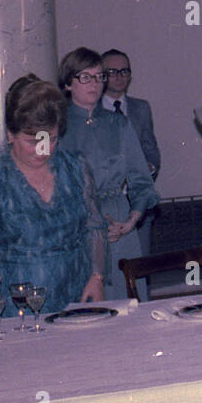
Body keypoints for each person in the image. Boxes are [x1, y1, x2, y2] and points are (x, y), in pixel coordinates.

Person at [0, 75, 106, 315]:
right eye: (32, 141)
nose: (42, 149)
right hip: (18, 304)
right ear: (11, 135)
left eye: (51, 139)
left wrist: (97, 276)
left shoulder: (76, 168)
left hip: (75, 295)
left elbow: (94, 227)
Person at [56, 48, 158, 298]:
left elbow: (142, 182)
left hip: (120, 228)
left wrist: (131, 221)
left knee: (128, 304)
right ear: (68, 82)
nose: (95, 84)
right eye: (85, 77)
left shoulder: (120, 123)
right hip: (75, 227)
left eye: (99, 76)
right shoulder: (56, 125)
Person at [100, 49, 160, 180]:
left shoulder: (142, 108)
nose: (119, 77)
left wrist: (150, 167)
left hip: (136, 190)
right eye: (112, 72)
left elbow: (150, 148)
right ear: (101, 76)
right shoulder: (92, 109)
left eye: (124, 71)